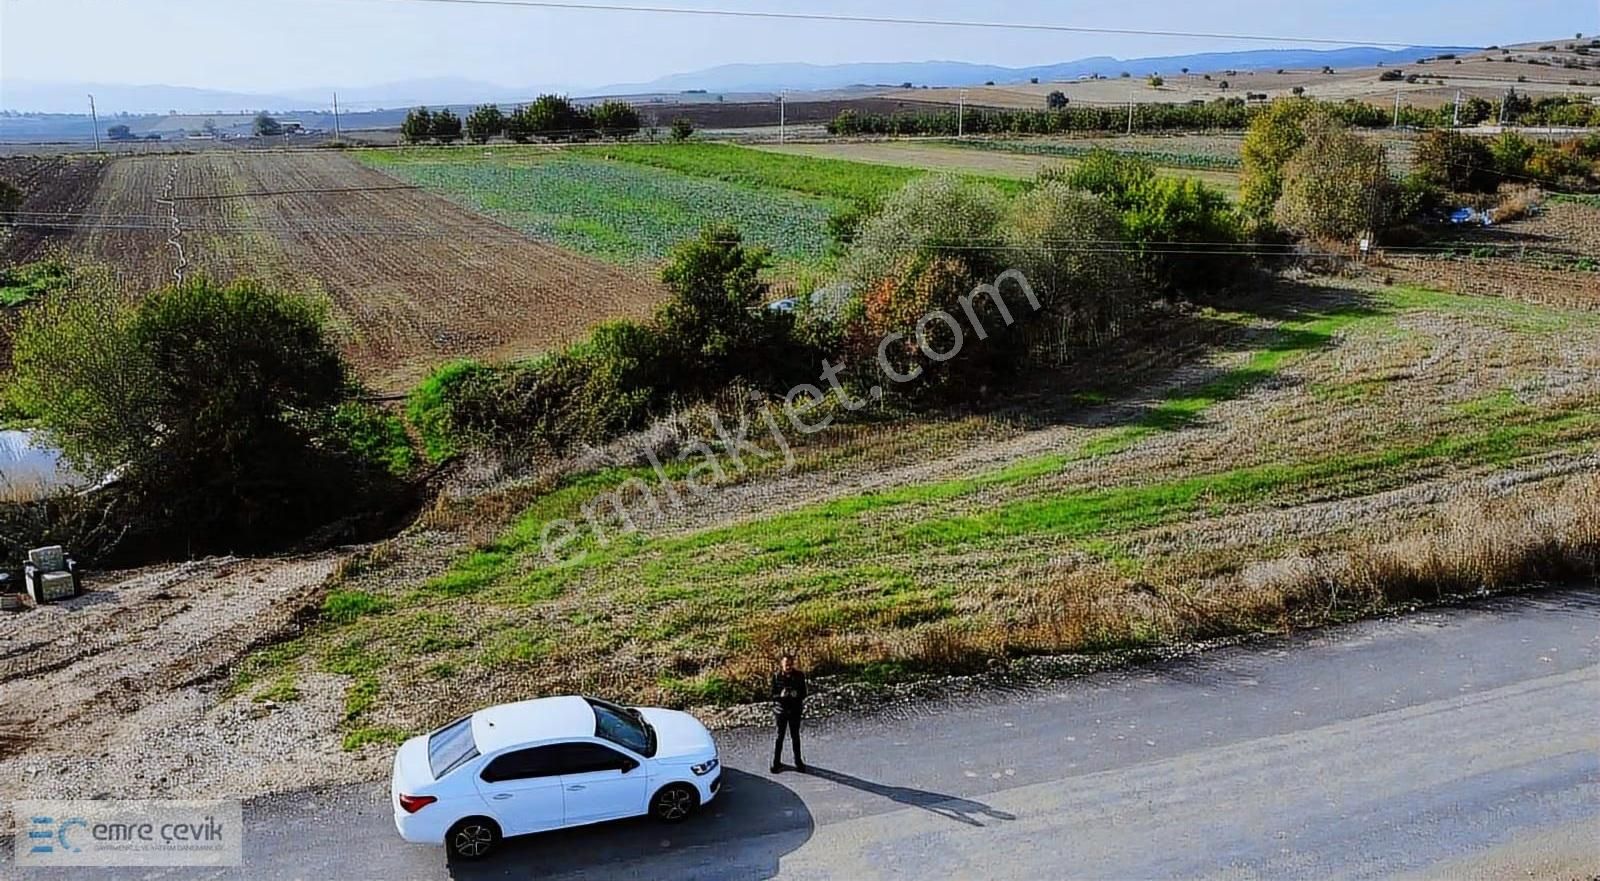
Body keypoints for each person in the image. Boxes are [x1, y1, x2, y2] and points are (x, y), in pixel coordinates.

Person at [770, 653, 807, 773]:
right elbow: (772, 695)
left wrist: (797, 695)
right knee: (779, 737)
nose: (788, 667)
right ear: (782, 664)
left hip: (795, 710)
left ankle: (798, 761)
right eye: (786, 664)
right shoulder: (776, 677)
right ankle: (776, 762)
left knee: (795, 736)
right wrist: (781, 695)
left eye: (790, 664)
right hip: (781, 711)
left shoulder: (799, 676)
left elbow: (804, 693)